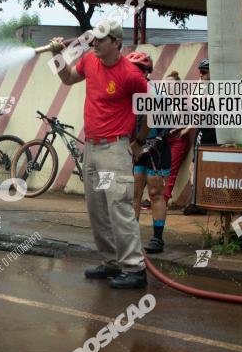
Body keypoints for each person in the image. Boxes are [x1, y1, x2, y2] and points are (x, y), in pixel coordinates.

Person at [48, 20, 148, 289]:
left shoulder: (130, 74)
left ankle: (135, 268)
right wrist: (57, 55)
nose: (94, 43)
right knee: (98, 208)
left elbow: (151, 108)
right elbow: (68, 78)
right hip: (92, 148)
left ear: (116, 43)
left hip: (115, 149)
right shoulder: (90, 62)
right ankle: (112, 261)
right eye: (94, 39)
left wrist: (139, 141)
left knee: (119, 208)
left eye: (101, 40)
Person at [126, 51, 170, 254]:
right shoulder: (128, 91)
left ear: (146, 72)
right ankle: (132, 237)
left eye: (136, 70)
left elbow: (157, 121)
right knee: (134, 194)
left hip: (156, 147)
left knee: (155, 194)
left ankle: (157, 239)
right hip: (136, 147)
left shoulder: (153, 91)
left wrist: (143, 143)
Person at [183, 58, 213, 215]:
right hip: (214, 131)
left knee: (195, 167)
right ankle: (201, 201)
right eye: (200, 72)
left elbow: (199, 112)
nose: (200, 75)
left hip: (206, 131)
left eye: (203, 72)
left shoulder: (207, 89)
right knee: (206, 167)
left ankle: (196, 202)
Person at [162, 71, 193, 205]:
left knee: (171, 170)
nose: (168, 86)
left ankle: (164, 200)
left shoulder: (185, 99)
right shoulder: (163, 100)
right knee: (160, 170)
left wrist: (186, 129)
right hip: (164, 138)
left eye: (171, 84)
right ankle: (158, 198)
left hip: (178, 139)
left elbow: (198, 115)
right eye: (166, 84)